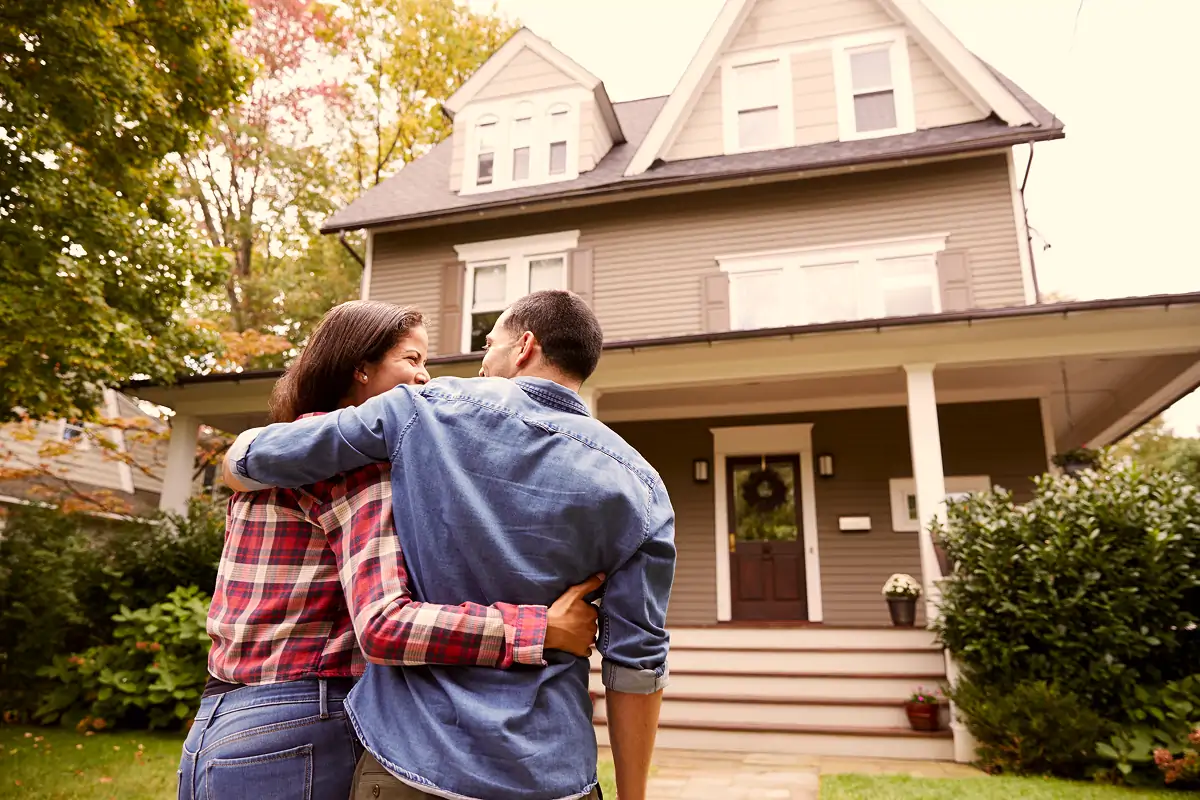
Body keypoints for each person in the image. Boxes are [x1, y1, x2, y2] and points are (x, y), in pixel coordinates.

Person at [224, 290, 675, 800]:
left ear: (524, 346)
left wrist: (237, 458)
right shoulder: (643, 485)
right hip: (551, 770)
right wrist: (632, 794)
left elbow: (254, 458)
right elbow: (637, 662)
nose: (481, 365)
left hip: (414, 762)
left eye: (489, 345)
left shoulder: (420, 411)